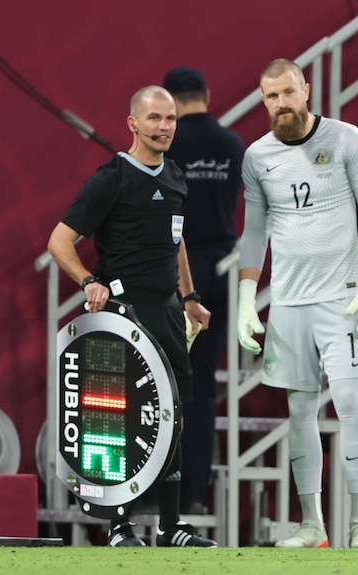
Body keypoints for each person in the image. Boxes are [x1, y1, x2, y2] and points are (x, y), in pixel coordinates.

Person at [47, 85, 218, 548]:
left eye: (171, 119)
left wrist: (190, 297)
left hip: (165, 311)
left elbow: (176, 241)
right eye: (155, 119)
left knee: (175, 415)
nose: (165, 127)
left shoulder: (177, 176)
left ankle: (169, 528)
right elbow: (59, 242)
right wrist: (88, 281)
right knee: (115, 423)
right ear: (133, 124)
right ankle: (119, 527)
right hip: (123, 313)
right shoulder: (111, 178)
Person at [236, 58, 358, 549]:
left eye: (287, 92)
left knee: (349, 403)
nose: (280, 104)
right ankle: (312, 525)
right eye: (270, 97)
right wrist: (245, 299)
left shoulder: (347, 139)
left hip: (343, 296)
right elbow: (255, 232)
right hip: (289, 303)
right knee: (299, 410)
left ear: (306, 89)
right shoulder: (257, 157)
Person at [163, 66, 246, 515]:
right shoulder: (233, 145)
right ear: (207, 94)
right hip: (226, 268)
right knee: (204, 383)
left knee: (167, 381)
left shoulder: (170, 142)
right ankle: (195, 492)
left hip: (183, 270)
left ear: (170, 102)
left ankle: (165, 489)